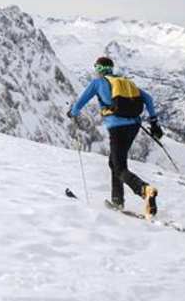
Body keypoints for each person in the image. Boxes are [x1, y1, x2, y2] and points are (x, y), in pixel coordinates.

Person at [66, 56, 165, 217]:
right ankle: (117, 201)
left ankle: (144, 190)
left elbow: (80, 102)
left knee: (119, 167)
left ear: (98, 69)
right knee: (115, 162)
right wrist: (154, 122)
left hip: (117, 128)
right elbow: (148, 98)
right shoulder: (124, 82)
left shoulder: (98, 82)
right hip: (134, 126)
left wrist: (72, 113)